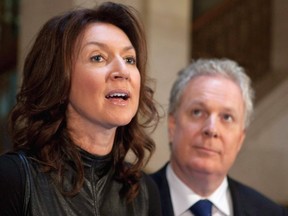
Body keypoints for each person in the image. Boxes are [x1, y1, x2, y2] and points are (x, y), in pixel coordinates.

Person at [0, 2, 162, 216]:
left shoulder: (144, 193)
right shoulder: (13, 179)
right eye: (98, 57)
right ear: (59, 78)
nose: (122, 71)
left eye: (129, 59)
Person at [150, 59, 288, 216]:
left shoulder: (271, 213)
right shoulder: (130, 202)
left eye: (227, 117)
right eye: (197, 112)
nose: (211, 129)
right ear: (172, 125)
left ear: (240, 139)